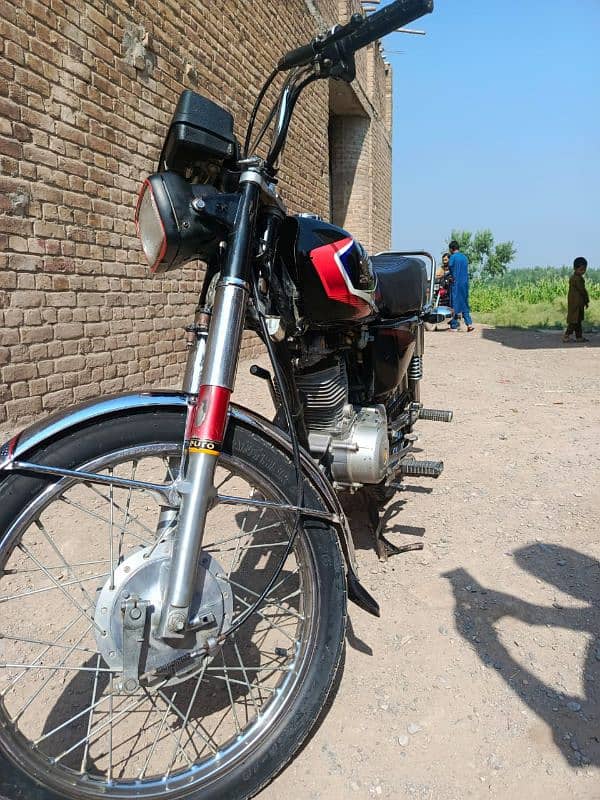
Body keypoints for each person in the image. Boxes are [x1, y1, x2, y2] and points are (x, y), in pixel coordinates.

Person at [448, 240, 474, 332]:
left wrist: (450, 277)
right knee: (464, 302)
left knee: (454, 303)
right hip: (465, 283)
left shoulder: (453, 257)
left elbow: (450, 269)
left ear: (451, 249)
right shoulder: (464, 257)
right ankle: (469, 324)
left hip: (456, 284)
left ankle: (454, 325)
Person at [562, 257, 590, 343]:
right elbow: (582, 290)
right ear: (575, 268)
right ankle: (566, 335)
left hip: (578, 304)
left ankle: (579, 337)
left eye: (584, 269)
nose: (583, 272)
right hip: (576, 304)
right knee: (574, 321)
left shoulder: (576, 278)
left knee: (578, 321)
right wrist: (587, 300)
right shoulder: (576, 279)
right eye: (581, 270)